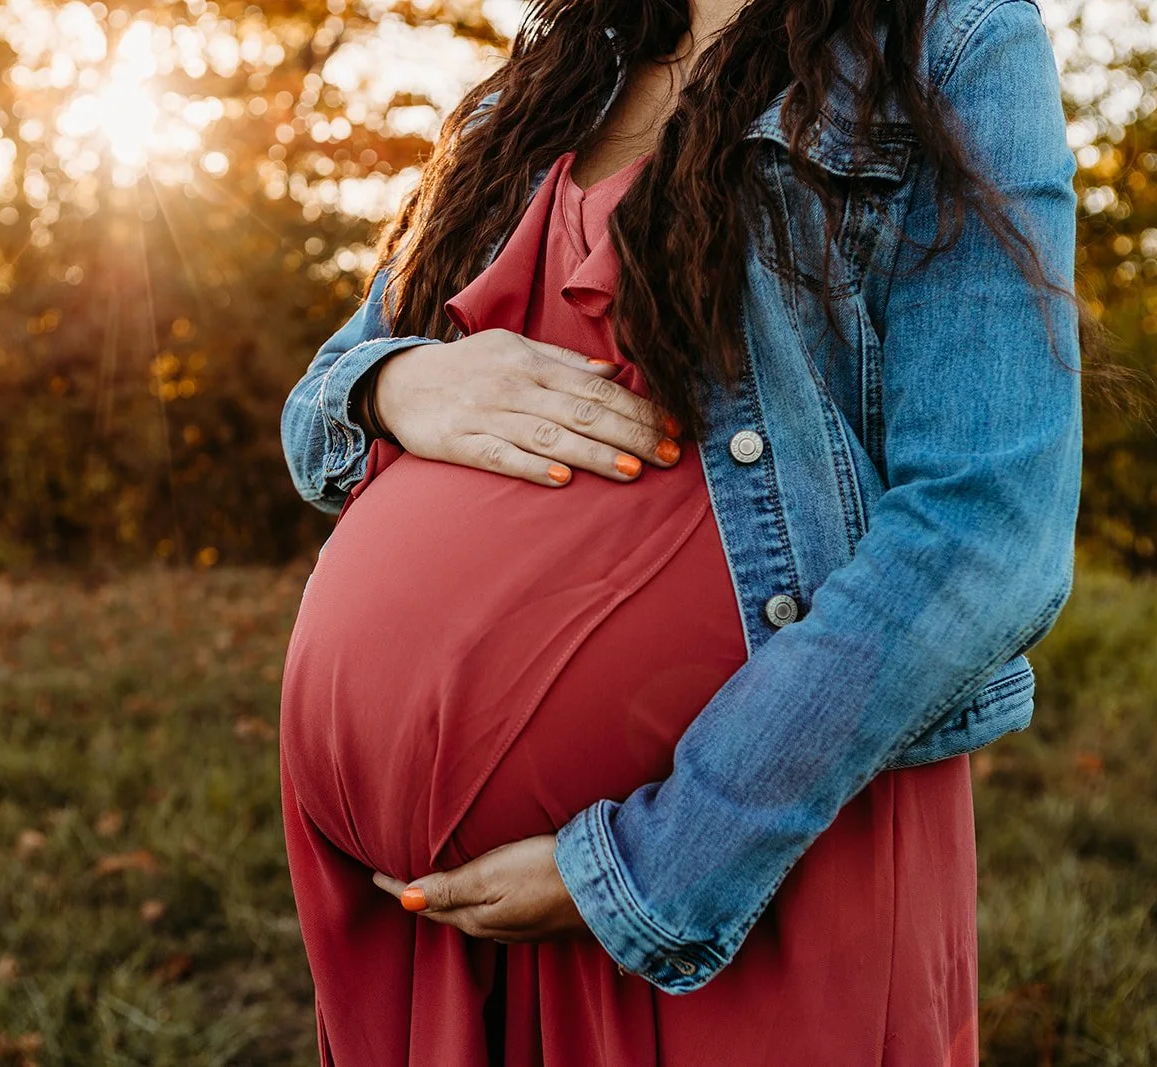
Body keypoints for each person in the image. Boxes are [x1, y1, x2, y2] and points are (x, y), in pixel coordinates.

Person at [277, 0, 1084, 1061]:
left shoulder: (945, 40)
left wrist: (651, 866)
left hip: (742, 864)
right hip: (432, 923)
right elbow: (317, 407)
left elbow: (988, 527)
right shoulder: (552, 81)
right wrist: (397, 382)